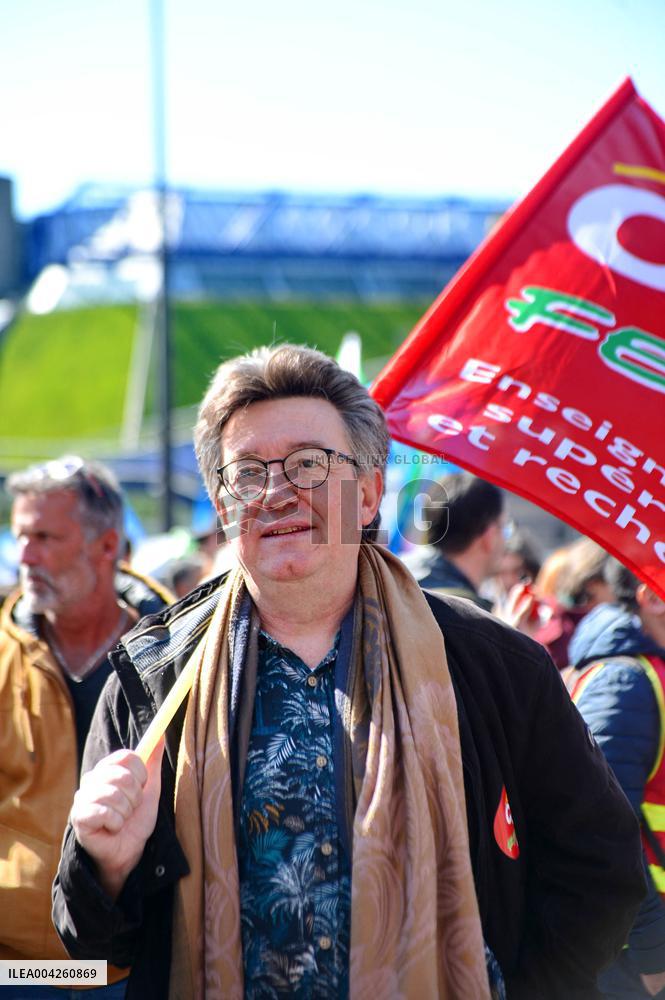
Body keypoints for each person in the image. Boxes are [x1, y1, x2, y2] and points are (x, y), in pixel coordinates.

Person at [53, 345, 645, 1000]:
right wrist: (103, 867)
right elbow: (90, 945)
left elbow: (602, 871)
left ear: (366, 495)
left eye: (308, 464)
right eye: (247, 473)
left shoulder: (490, 663)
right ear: (223, 509)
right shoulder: (152, 679)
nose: (277, 491)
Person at [0, 456, 171, 996]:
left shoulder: (180, 654)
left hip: (141, 965)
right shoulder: (3, 655)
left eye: (45, 537)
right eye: (20, 535)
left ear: (106, 546)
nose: (24, 556)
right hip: (18, 970)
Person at [567, 559, 665, 999]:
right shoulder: (625, 683)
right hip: (632, 957)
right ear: (651, 595)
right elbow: (602, 826)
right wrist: (654, 955)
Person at [402, 471, 506, 610]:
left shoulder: (395, 580)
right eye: (503, 528)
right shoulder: (470, 617)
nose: (505, 540)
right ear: (490, 536)